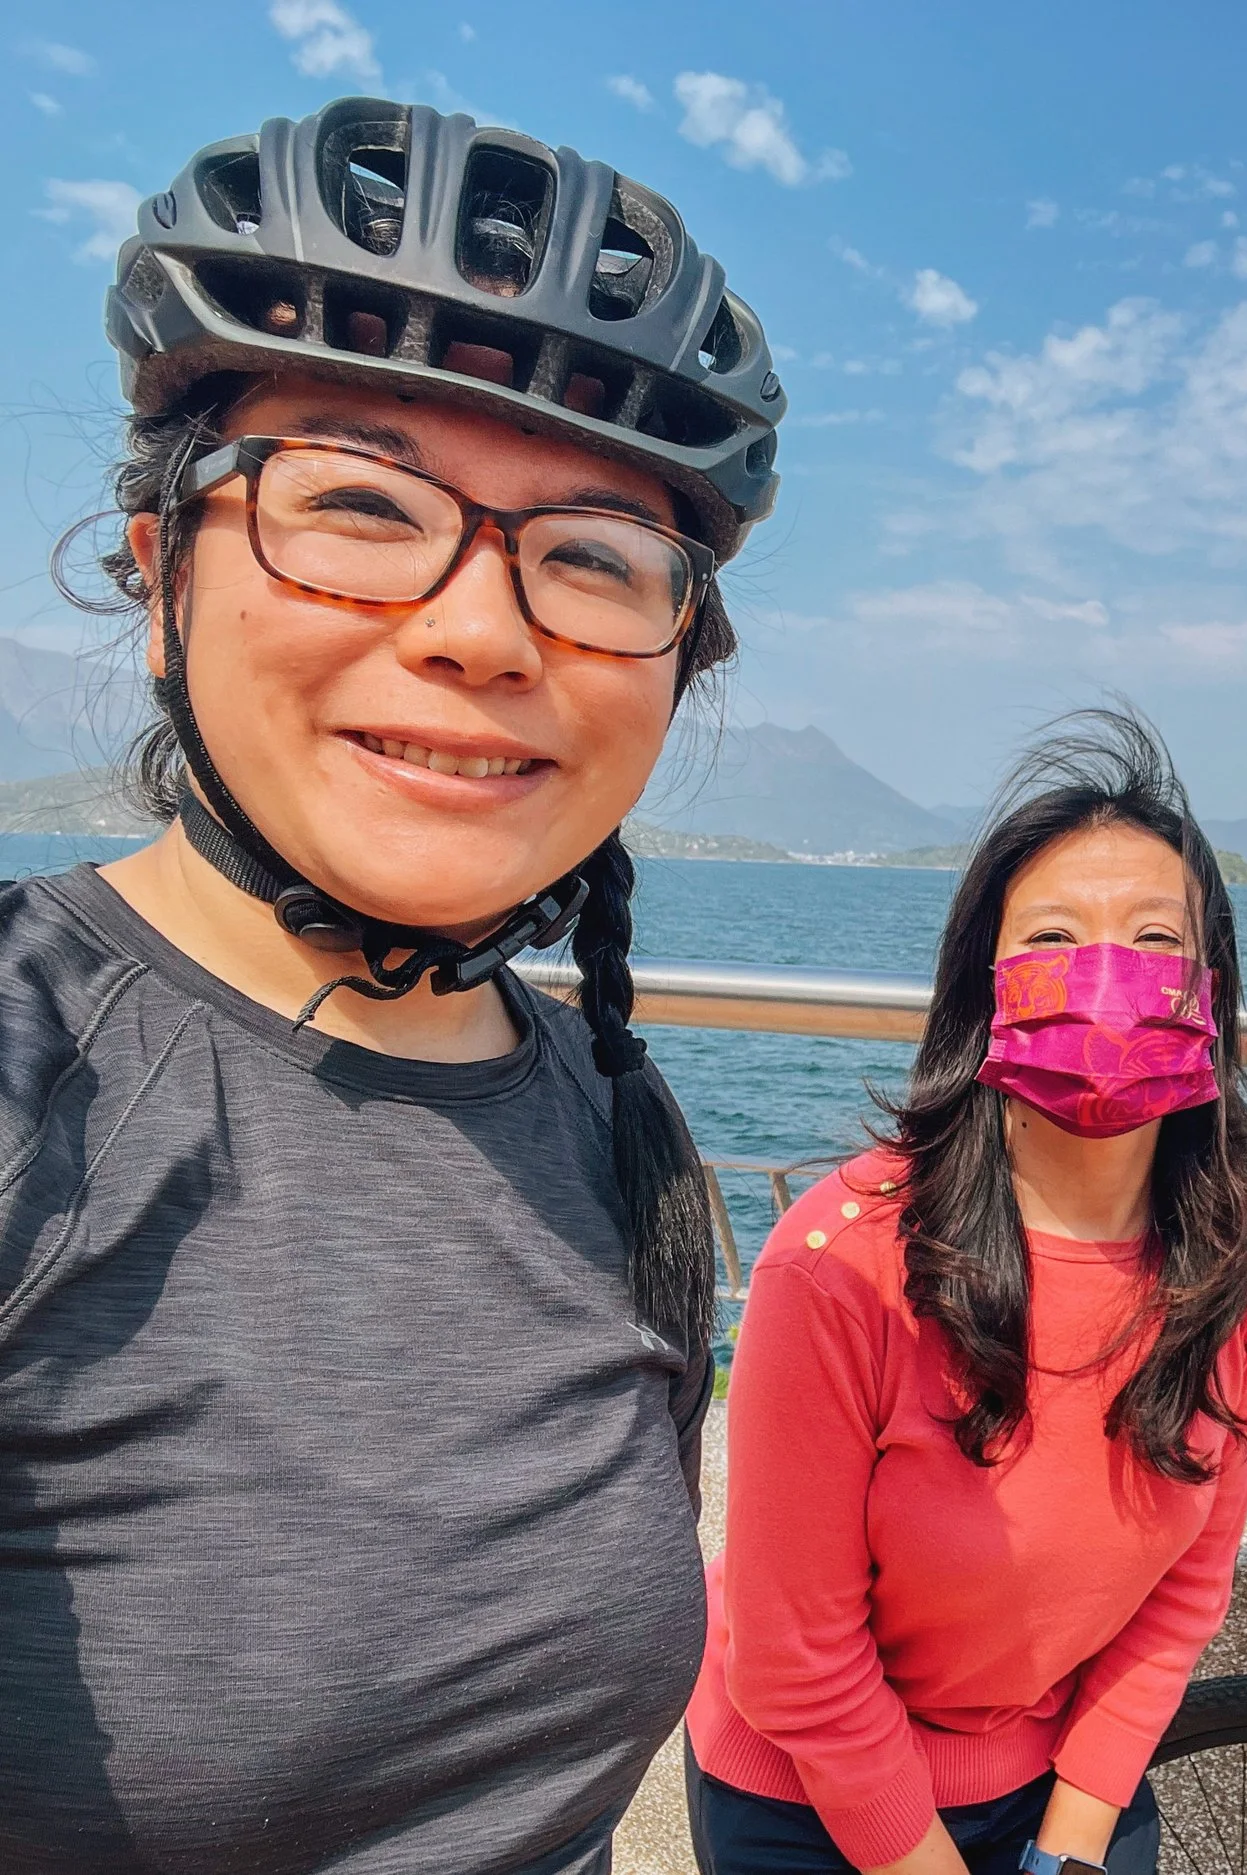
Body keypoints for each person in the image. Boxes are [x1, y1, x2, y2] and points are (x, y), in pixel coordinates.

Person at [0, 98, 782, 1873]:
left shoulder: (614, 1120)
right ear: (160, 575)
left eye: (594, 556)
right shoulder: (31, 1060)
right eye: (356, 503)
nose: (482, 631)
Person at [684, 711, 1247, 1875]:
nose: (1109, 978)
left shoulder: (1245, 1246)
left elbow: (1190, 1582)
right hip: (808, 1793)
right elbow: (796, 1659)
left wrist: (1072, 1842)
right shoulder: (843, 1263)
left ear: (1206, 993)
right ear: (988, 989)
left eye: (1155, 940)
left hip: (1062, 1777)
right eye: (1055, 936)